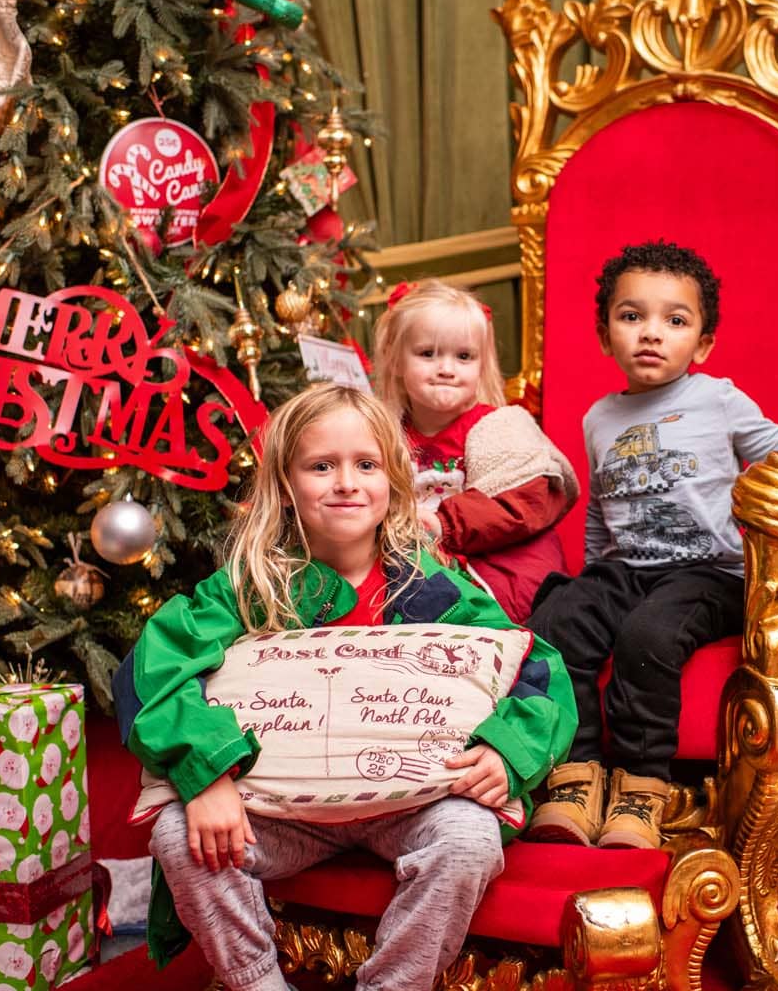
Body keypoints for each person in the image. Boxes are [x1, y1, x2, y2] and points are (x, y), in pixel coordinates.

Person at [115, 385, 576, 991]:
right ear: (285, 485)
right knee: (177, 832)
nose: (346, 483)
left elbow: (533, 668)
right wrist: (207, 774)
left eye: (365, 465)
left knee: (468, 838)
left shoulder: (433, 591)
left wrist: (505, 750)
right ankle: (256, 982)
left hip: (411, 803)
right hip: (277, 814)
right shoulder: (247, 590)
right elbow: (151, 672)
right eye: (321, 466)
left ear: (394, 482)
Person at [525, 241, 778, 850]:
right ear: (606, 336)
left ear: (703, 344)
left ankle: (641, 786)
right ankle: (575, 778)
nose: (651, 333)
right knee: (559, 622)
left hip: (707, 572)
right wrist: (591, 583)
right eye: (631, 317)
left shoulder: (717, 398)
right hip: (626, 567)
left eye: (675, 321)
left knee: (649, 636)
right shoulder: (598, 417)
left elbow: (776, 442)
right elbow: (602, 513)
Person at [373, 279, 577, 622]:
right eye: (427, 354)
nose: (447, 369)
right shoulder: (384, 432)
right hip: (420, 557)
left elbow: (525, 499)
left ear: (481, 364)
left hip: (495, 561)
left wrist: (442, 524)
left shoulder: (501, 427)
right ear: (395, 360)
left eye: (463, 356)